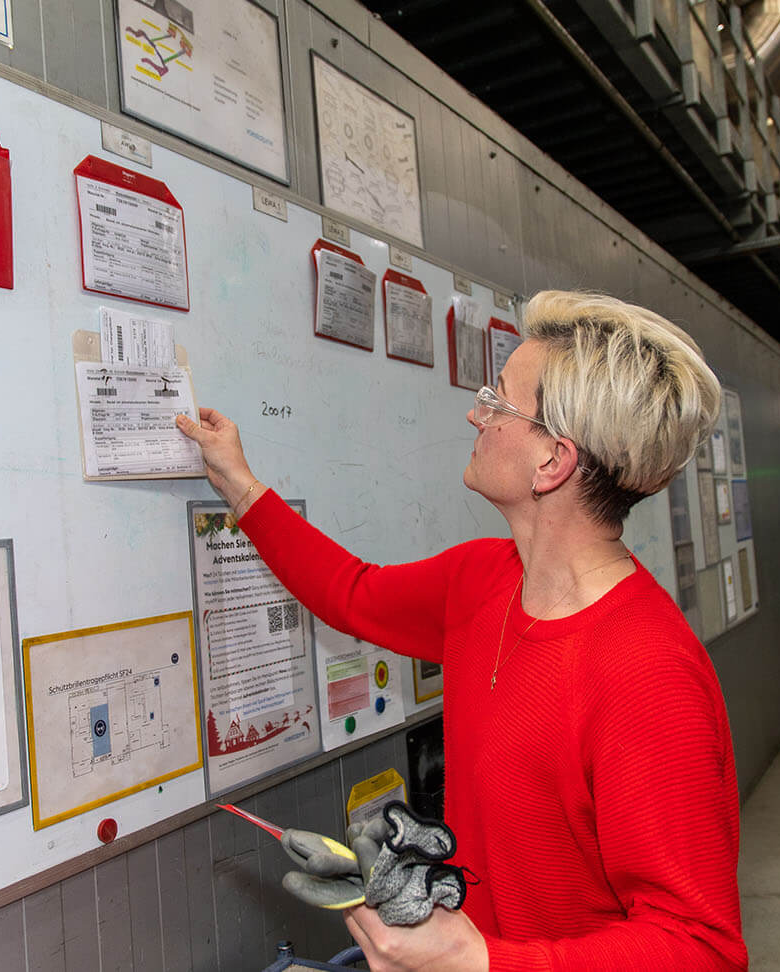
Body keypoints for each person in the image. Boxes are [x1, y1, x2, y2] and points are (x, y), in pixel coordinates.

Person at [175, 290, 746, 971]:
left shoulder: (647, 675)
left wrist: (481, 964)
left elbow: (700, 948)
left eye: (498, 401)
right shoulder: (483, 580)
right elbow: (351, 594)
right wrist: (240, 485)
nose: (476, 413)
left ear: (552, 462)